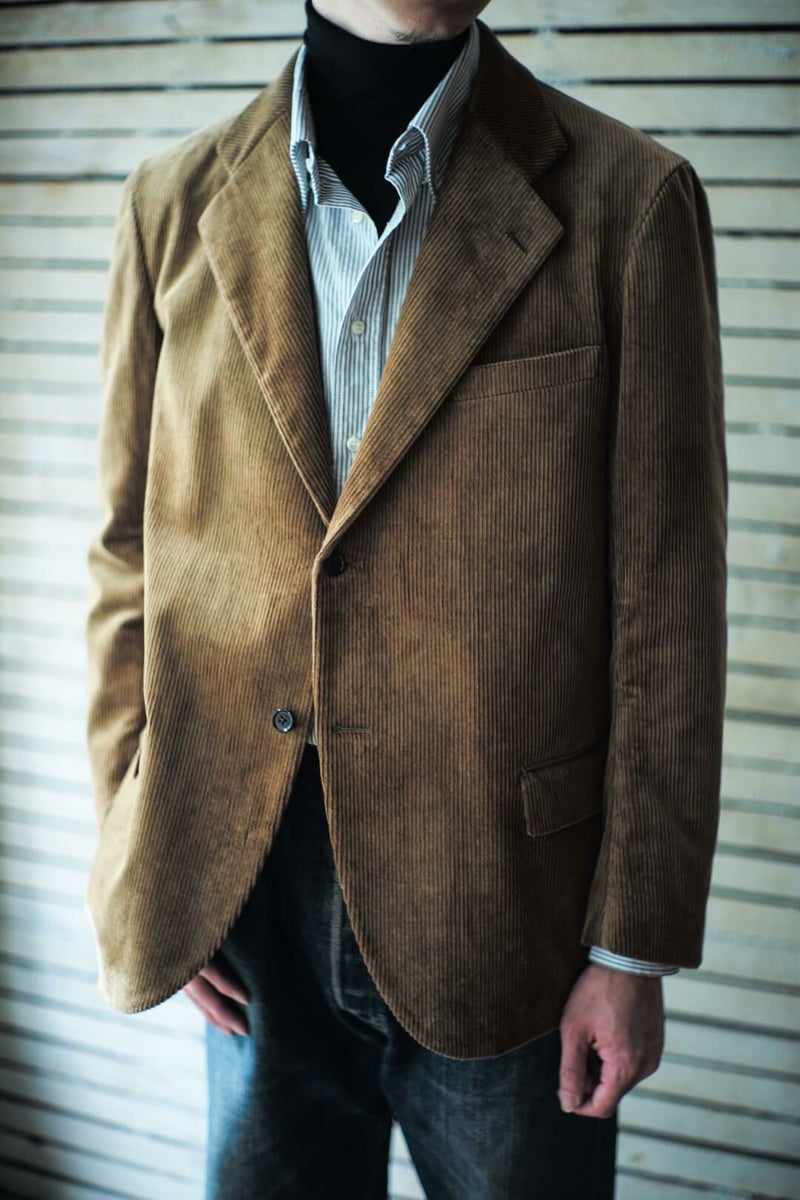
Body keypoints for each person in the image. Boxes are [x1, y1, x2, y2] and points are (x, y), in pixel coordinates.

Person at [83, 1, 728, 1196]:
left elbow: (667, 604)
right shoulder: (168, 204)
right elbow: (129, 553)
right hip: (244, 896)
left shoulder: (628, 200)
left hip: (511, 914)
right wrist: (146, 858)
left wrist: (630, 945)